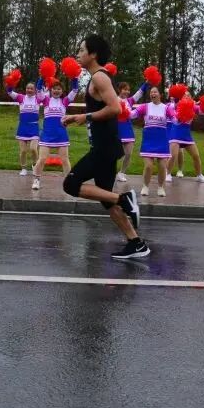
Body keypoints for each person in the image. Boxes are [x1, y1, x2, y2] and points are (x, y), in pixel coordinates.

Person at [62, 34, 148, 260]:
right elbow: (102, 109)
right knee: (105, 198)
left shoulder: (100, 77)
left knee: (70, 184)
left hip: (104, 147)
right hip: (105, 146)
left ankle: (124, 199)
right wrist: (79, 117)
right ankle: (136, 243)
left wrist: (85, 116)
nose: (78, 54)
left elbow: (115, 109)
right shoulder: (96, 77)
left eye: (82, 50)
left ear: (93, 54)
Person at [31, 77, 79, 190]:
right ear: (51, 90)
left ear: (62, 91)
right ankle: (36, 180)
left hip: (61, 135)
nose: (56, 91)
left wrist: (74, 78)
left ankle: (68, 183)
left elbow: (75, 90)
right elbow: (38, 90)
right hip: (47, 135)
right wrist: (42, 77)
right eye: (54, 89)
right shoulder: (46, 100)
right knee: (42, 159)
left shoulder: (65, 101)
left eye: (59, 89)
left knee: (65, 160)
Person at [130, 85, 174, 197]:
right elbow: (131, 115)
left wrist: (184, 114)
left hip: (162, 140)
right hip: (148, 141)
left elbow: (175, 119)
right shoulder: (145, 106)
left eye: (155, 92)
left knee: (162, 166)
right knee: (149, 166)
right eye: (151, 92)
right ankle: (145, 186)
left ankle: (161, 187)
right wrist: (122, 107)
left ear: (160, 94)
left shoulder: (166, 108)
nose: (152, 94)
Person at [168, 88, 204, 183]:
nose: (186, 96)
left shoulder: (194, 106)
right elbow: (175, 117)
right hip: (175, 134)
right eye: (185, 95)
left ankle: (199, 175)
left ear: (191, 97)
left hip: (187, 135)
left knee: (196, 155)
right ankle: (168, 174)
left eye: (188, 95)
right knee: (173, 155)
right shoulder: (176, 105)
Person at [6, 78, 40, 175]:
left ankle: (35, 165)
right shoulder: (21, 97)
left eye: (31, 88)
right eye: (27, 88)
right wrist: (11, 82)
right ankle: (24, 168)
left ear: (35, 90)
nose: (29, 90)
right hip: (23, 127)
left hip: (34, 127)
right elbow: (9, 91)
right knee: (23, 151)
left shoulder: (38, 98)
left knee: (33, 149)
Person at [115, 81, 145, 182]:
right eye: (125, 89)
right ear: (119, 90)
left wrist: (147, 83)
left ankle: (122, 173)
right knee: (114, 154)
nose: (127, 91)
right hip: (117, 129)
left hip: (128, 129)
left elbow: (139, 93)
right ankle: (108, 171)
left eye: (128, 90)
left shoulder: (130, 101)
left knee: (128, 153)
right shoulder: (114, 100)